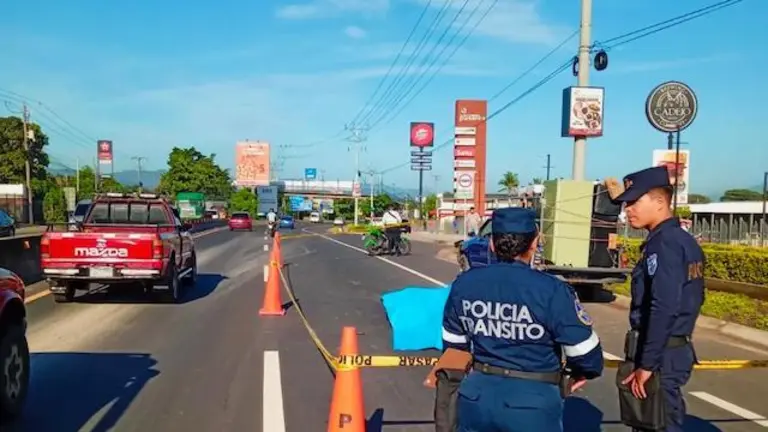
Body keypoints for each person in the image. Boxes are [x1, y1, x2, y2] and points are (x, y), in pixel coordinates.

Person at [442, 207, 604, 431]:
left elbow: (453, 345)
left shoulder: (465, 284)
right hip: (532, 405)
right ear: (534, 242)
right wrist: (584, 371)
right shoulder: (551, 290)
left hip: (476, 399)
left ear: (491, 243)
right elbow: (585, 351)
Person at [613, 166, 705, 432]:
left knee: (658, 424)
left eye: (634, 202)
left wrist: (647, 363)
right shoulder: (684, 241)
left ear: (660, 201)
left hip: (661, 355)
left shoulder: (663, 244)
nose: (627, 209)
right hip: (672, 350)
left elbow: (663, 306)